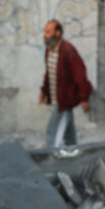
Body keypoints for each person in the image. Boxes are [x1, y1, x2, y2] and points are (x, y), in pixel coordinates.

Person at [37, 19, 92, 147]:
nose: (45, 35)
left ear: (58, 33)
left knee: (53, 131)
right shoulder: (49, 50)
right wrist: (44, 91)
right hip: (58, 98)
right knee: (69, 133)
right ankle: (73, 152)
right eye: (45, 31)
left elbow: (80, 74)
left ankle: (50, 157)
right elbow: (49, 73)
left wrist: (84, 98)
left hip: (65, 100)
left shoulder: (68, 50)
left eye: (48, 32)